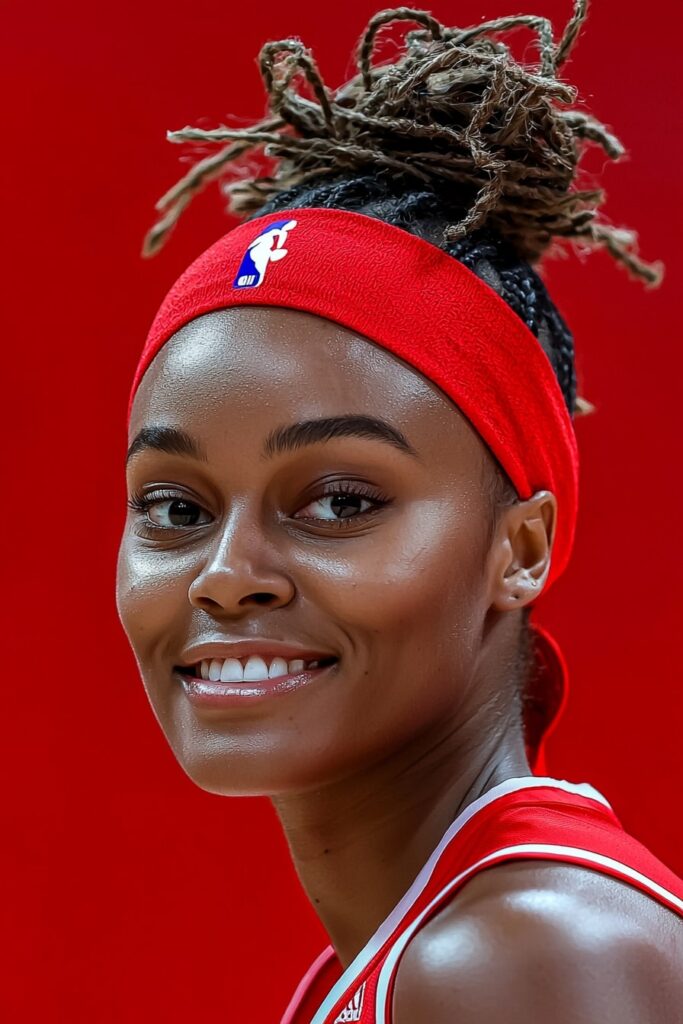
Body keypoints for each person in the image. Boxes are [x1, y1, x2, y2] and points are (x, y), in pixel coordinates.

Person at [116, 4, 683, 1021]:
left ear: (518, 549)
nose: (225, 568)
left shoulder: (517, 958)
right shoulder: (436, 943)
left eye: (338, 500)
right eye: (175, 506)